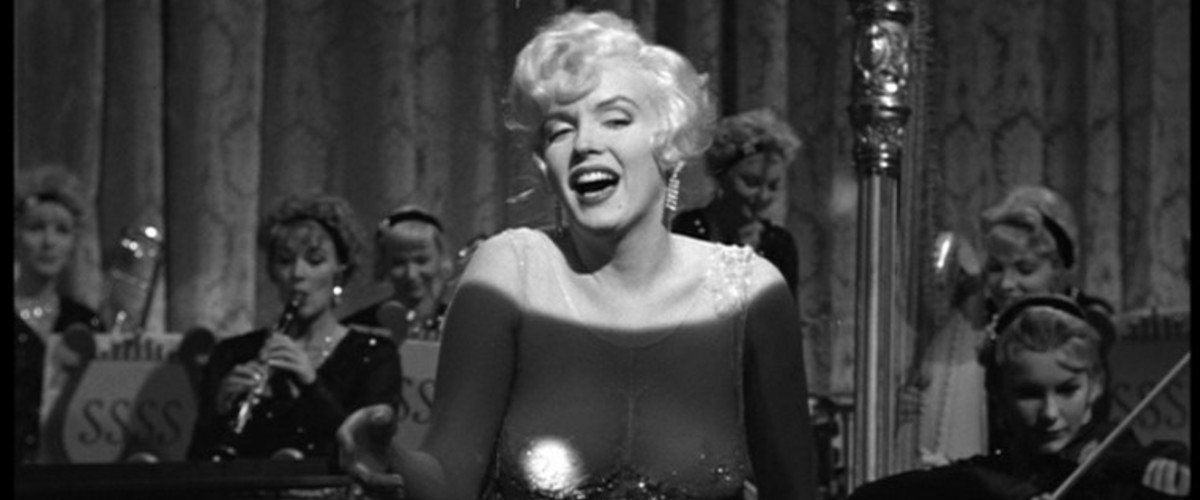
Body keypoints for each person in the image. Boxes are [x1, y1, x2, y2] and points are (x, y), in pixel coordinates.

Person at [336, 10, 818, 499]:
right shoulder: (508, 272)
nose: (585, 143)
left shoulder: (751, 292)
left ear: (669, 145)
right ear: (546, 167)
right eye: (559, 130)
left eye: (615, 119)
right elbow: (449, 478)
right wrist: (390, 461)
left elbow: (794, 491)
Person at [851, 294, 1190, 500]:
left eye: (1067, 390)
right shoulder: (993, 476)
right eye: (1029, 394)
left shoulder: (1121, 470)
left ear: (1096, 386)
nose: (1050, 413)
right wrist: (1006, 491)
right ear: (998, 394)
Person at [905, 185, 1120, 466]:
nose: (1006, 284)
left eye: (1025, 269)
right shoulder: (978, 321)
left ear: (1058, 268)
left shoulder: (1087, 325)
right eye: (996, 268)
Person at [187, 193, 403, 460]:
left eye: (315, 260)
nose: (297, 274)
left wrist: (311, 384)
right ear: (273, 272)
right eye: (285, 261)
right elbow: (196, 464)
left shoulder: (374, 355)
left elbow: (370, 455)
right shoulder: (232, 354)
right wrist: (219, 412)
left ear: (340, 272)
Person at [14, 164, 106, 464]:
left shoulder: (84, 321)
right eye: (36, 228)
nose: (49, 242)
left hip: (70, 471)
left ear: (73, 243)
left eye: (62, 230)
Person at [672, 107, 802, 295]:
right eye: (751, 182)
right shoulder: (686, 230)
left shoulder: (778, 243)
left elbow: (785, 310)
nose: (763, 196)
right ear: (722, 177)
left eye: (773, 186)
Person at [343, 206, 453, 343]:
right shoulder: (358, 330)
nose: (411, 274)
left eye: (421, 260)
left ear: (441, 258)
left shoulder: (459, 324)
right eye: (399, 263)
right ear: (384, 264)